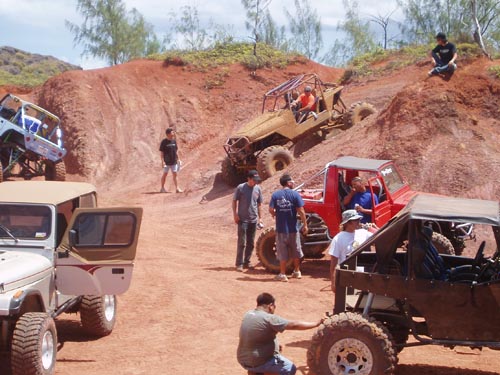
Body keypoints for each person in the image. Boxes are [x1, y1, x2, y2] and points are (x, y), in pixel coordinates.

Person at [237, 292, 324, 375]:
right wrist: (316, 324)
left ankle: (255, 372)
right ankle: (259, 370)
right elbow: (294, 325)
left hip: (243, 360)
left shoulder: (248, 314)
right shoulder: (269, 318)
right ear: (271, 306)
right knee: (290, 368)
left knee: (275, 341)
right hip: (257, 362)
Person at [269, 174, 308, 282]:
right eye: (292, 182)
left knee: (282, 252)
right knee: (296, 250)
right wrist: (305, 224)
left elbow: (271, 209)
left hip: (281, 229)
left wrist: (275, 214)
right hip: (293, 229)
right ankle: (297, 271)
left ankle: (283, 274)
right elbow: (301, 211)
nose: (293, 183)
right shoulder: (295, 195)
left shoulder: (276, 195)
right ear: (288, 183)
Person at [328, 210, 373, 291]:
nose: (358, 222)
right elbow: (334, 263)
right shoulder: (338, 239)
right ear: (348, 223)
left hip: (362, 276)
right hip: (346, 277)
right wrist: (333, 282)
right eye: (356, 220)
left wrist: (372, 228)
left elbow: (380, 236)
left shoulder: (364, 233)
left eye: (359, 220)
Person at [233, 170, 264, 271]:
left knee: (251, 242)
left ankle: (247, 261)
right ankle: (239, 263)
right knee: (242, 242)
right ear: (248, 179)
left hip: (253, 220)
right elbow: (234, 201)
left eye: (256, 180)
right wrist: (235, 214)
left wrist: (261, 218)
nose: (254, 182)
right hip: (242, 219)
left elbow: (259, 204)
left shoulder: (258, 188)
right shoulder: (241, 187)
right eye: (253, 180)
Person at [159, 128, 182, 193]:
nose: (173, 133)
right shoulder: (164, 142)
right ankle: (162, 188)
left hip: (174, 161)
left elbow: (176, 151)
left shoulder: (174, 141)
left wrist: (178, 159)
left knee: (175, 174)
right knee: (165, 174)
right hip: (166, 162)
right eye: (172, 132)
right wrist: (162, 161)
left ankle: (177, 188)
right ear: (168, 134)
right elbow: (162, 152)